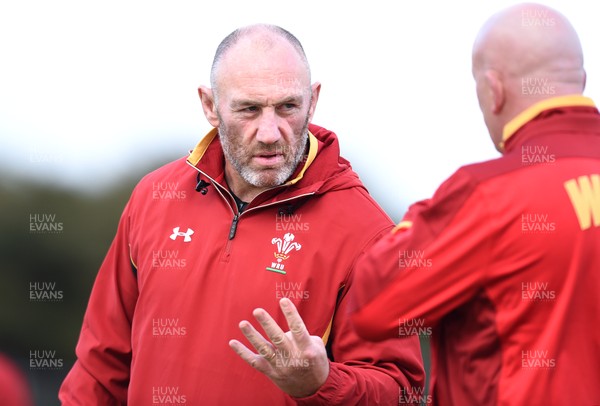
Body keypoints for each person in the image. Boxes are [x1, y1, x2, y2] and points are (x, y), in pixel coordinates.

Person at [59, 24, 424, 404]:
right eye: (249, 109)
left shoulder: (367, 234)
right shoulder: (153, 196)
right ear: (210, 106)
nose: (269, 132)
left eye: (287, 107)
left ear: (312, 101)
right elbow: (99, 364)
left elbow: (403, 393)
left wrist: (323, 384)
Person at [351, 3, 600, 405]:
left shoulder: (487, 194)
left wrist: (429, 221)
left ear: (493, 89)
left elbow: (373, 305)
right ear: (581, 80)